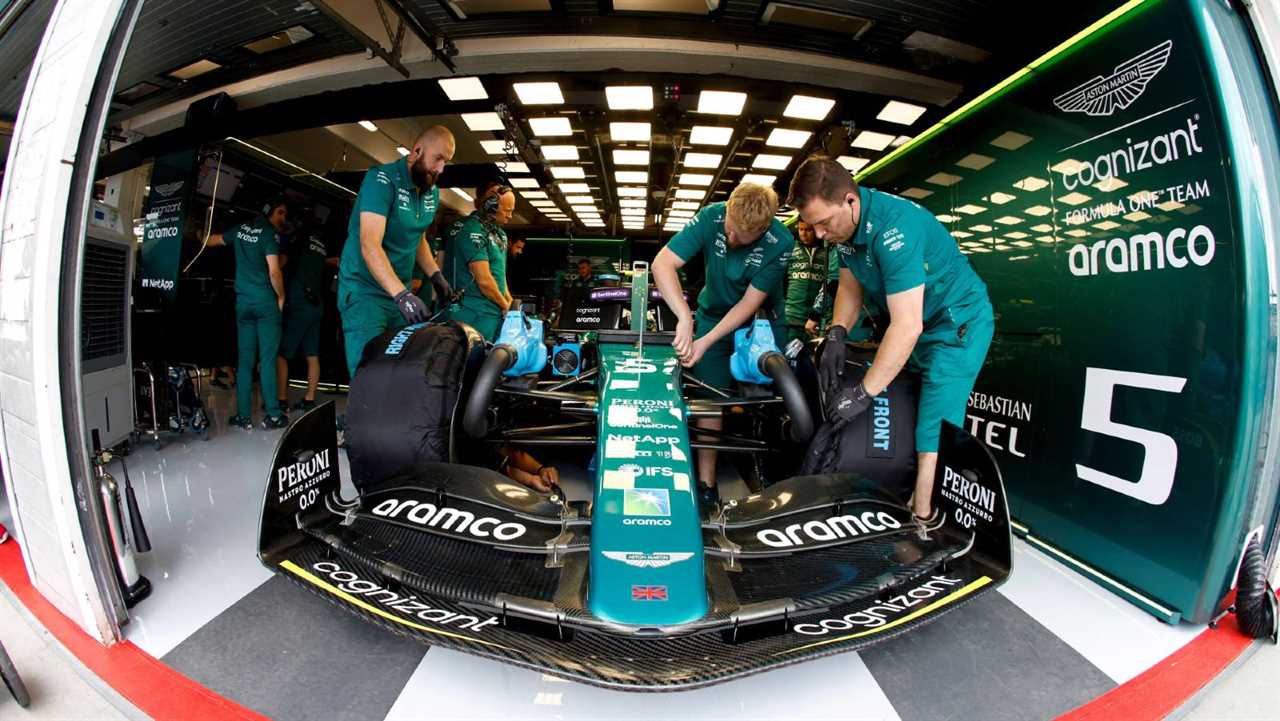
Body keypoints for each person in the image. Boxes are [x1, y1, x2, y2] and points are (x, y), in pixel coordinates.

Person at [787, 156, 994, 521]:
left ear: (850, 200)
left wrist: (864, 393)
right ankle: (902, 498)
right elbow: (851, 289)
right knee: (906, 409)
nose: (819, 234)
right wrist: (836, 332)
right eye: (812, 225)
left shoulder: (896, 230)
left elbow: (907, 326)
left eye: (823, 223)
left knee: (933, 426)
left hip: (956, 327)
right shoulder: (846, 229)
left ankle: (925, 522)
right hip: (920, 322)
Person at [651, 183, 794, 504]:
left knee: (767, 400)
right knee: (709, 398)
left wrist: (706, 340)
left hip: (761, 322)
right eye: (730, 228)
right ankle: (706, 484)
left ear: (761, 229)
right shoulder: (711, 217)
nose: (731, 238)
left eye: (741, 236)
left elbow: (748, 303)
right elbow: (662, 264)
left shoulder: (781, 241)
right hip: (711, 314)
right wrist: (685, 318)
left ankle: (771, 481)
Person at [337, 126, 455, 378]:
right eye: (438, 158)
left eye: (446, 162)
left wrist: (436, 276)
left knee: (398, 374)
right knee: (368, 375)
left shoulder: (431, 192)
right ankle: (364, 419)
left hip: (397, 295)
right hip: (365, 292)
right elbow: (369, 243)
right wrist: (402, 295)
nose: (441, 169)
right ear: (417, 151)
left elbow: (418, 237)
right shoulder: (381, 180)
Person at [204, 198, 289, 429]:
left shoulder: (240, 230)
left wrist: (197, 235)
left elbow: (212, 241)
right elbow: (274, 272)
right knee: (268, 360)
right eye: (281, 213)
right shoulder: (269, 235)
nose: (283, 218)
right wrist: (281, 297)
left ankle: (243, 416)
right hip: (265, 303)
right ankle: (273, 414)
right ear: (269, 212)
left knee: (244, 362)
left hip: (243, 304)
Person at [276, 225, 338, 412]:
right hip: (316, 304)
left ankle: (281, 400)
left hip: (300, 303)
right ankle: (309, 399)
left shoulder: (298, 241)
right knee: (312, 356)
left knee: (281, 355)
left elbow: (280, 262)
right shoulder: (320, 246)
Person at [444, 181, 516, 340]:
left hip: (493, 312)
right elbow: (484, 280)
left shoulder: (500, 234)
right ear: (490, 206)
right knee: (472, 362)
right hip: (472, 313)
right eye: (507, 211)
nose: (510, 216)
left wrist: (511, 305)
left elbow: (500, 277)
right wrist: (506, 307)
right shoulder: (471, 229)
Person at [783, 220, 827, 345]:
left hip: (815, 320)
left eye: (808, 230)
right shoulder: (790, 248)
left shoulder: (828, 251)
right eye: (801, 229)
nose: (804, 234)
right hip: (791, 316)